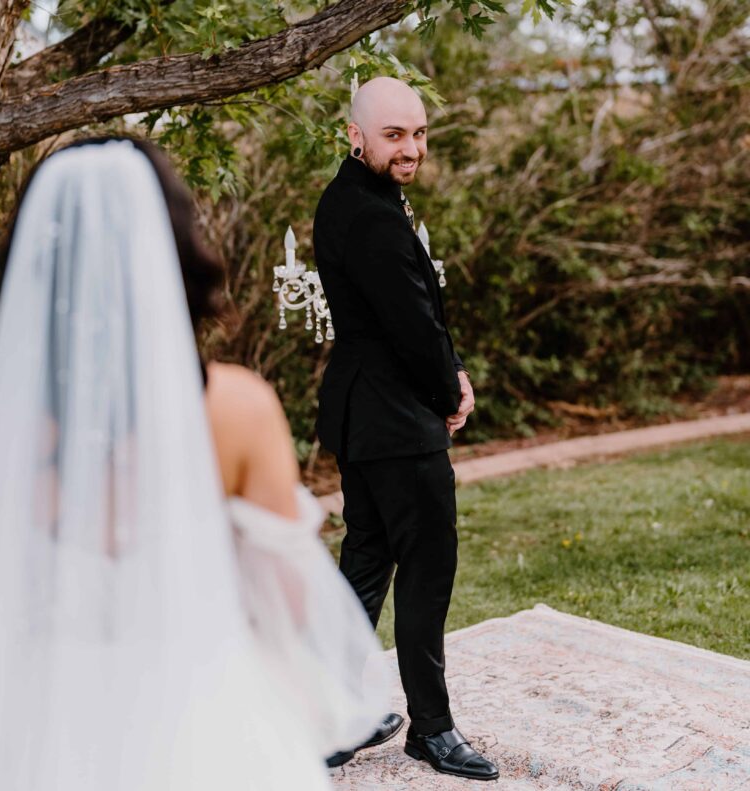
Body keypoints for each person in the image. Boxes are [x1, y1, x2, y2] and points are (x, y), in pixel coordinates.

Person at [0, 137, 388, 791]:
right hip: (198, 719)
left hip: (42, 727)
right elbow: (292, 606)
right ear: (175, 254)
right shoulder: (238, 408)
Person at [312, 77, 499, 781]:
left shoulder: (347, 200)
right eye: (395, 135)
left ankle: (332, 715)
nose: (411, 148)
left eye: (419, 134)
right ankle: (433, 729)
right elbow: (412, 322)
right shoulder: (371, 215)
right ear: (355, 135)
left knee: (364, 562)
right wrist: (450, 385)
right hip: (396, 422)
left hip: (363, 415)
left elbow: (412, 311)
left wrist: (446, 367)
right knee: (427, 567)